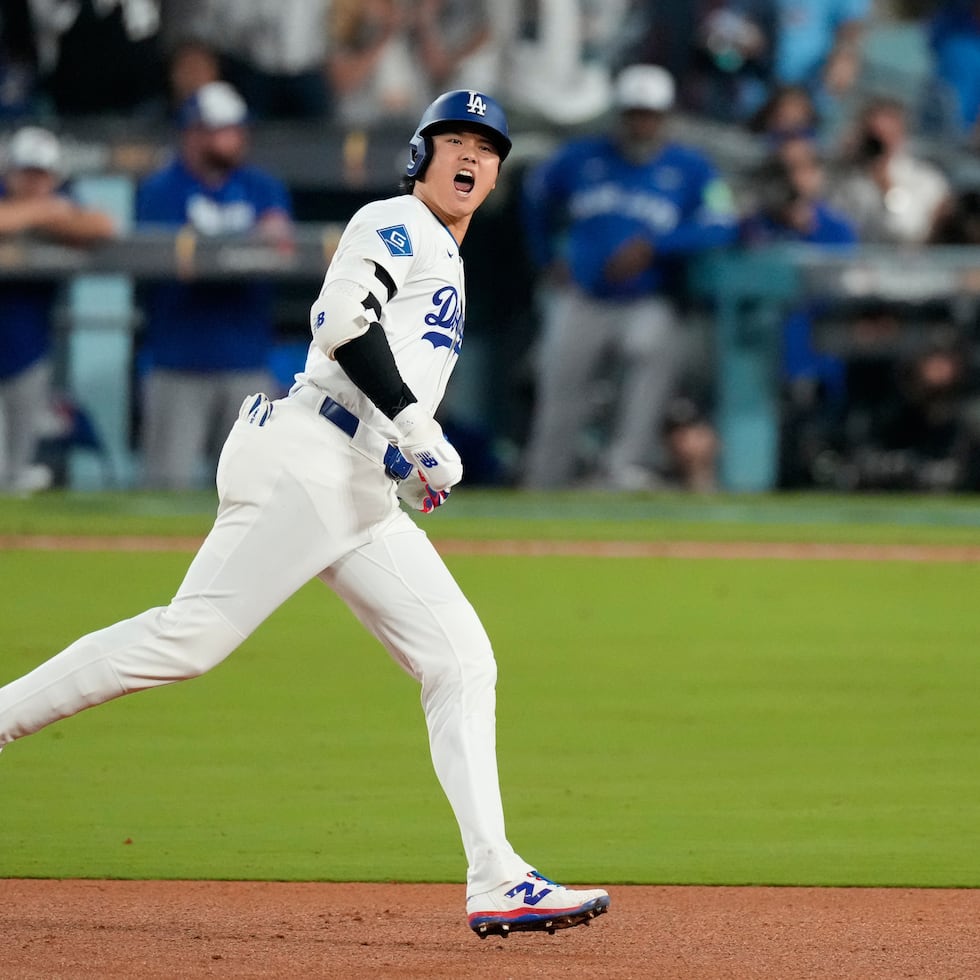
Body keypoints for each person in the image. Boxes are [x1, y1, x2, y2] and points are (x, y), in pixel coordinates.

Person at [0, 88, 611, 938]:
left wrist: (403, 456)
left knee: (460, 660)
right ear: (419, 156)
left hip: (357, 484)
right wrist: (416, 425)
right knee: (188, 639)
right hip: (309, 463)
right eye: (454, 140)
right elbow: (338, 322)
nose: (471, 156)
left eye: (487, 146)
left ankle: (496, 875)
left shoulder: (446, 249)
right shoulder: (396, 220)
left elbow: (380, 370)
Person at [520, 63, 738, 491]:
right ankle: (544, 480)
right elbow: (534, 197)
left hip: (647, 297)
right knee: (559, 385)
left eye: (650, 114)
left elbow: (722, 222)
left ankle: (626, 469)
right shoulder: (582, 157)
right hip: (584, 294)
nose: (641, 123)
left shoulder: (691, 167)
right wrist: (547, 258)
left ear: (665, 116)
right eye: (634, 113)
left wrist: (657, 245)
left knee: (654, 351)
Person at [135, 80, 294, 490]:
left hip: (246, 359)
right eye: (223, 130)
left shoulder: (262, 186)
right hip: (178, 361)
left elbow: (281, 246)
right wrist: (245, 244)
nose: (234, 139)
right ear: (194, 133)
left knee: (250, 491)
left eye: (237, 129)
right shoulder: (160, 187)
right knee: (165, 490)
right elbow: (175, 261)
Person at [0, 125, 116, 494]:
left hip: (28, 346)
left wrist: (45, 214)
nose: (34, 181)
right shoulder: (45, 205)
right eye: (27, 173)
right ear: (10, 172)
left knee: (15, 473)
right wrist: (43, 211)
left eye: (42, 174)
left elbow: (102, 225)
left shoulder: (62, 201)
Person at [828, 96, 952, 245]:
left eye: (884, 136)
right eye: (871, 136)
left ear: (900, 135)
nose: (877, 144)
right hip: (850, 263)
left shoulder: (926, 181)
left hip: (897, 266)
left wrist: (887, 188)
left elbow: (908, 231)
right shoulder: (846, 178)